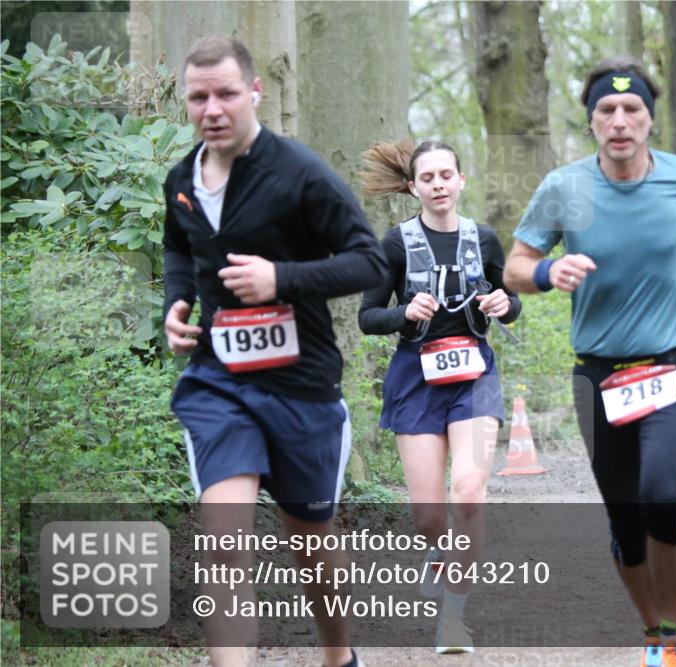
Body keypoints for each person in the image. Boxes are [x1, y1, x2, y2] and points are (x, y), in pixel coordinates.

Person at [503, 56, 676, 667]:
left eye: (632, 109)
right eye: (606, 110)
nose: (620, 120)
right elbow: (515, 266)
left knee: (662, 490)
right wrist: (551, 270)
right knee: (624, 517)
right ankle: (654, 633)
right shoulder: (566, 188)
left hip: (674, 363)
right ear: (592, 123)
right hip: (599, 371)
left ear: (650, 120)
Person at [163, 36, 387, 667]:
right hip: (220, 384)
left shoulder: (300, 173)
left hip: (301, 387)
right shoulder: (182, 178)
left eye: (227, 94)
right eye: (198, 97)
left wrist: (281, 279)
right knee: (223, 543)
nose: (213, 108)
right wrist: (176, 306)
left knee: (312, 547)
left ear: (255, 92)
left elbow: (367, 261)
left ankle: (339, 655)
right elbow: (180, 250)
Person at [357, 140, 521, 655]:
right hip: (416, 378)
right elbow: (368, 317)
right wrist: (404, 312)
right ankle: (436, 551)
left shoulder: (484, 239)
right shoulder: (396, 244)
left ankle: (453, 617)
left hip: (472, 375)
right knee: (429, 516)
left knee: (469, 491)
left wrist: (504, 302)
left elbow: (510, 305)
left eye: (447, 175)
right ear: (414, 187)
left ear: (461, 179)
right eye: (428, 178)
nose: (439, 185)